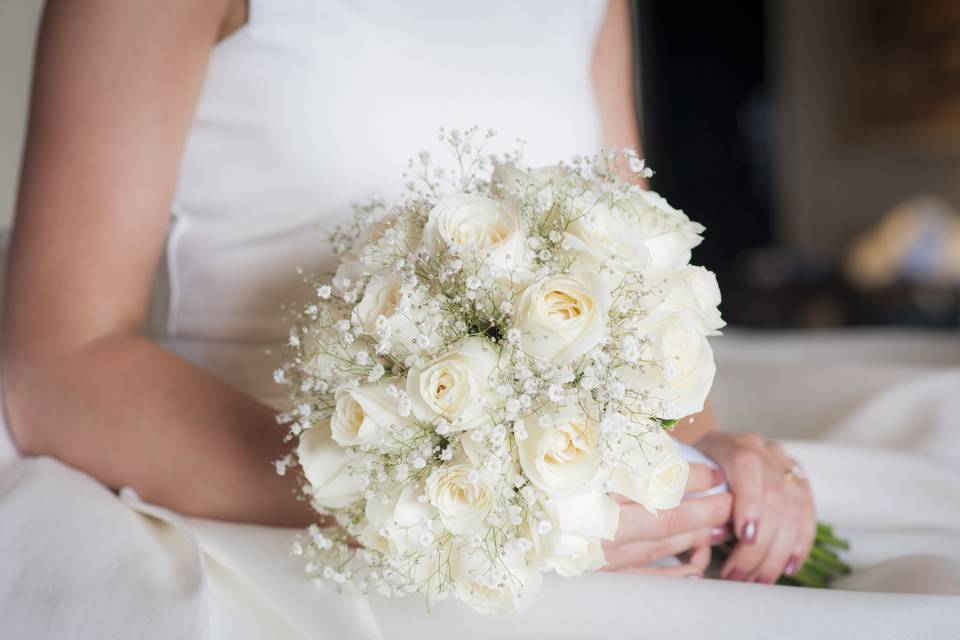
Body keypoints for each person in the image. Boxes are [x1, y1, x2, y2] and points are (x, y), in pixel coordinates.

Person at [1, 0, 817, 635]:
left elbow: (636, 271)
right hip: (265, 528)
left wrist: (693, 460)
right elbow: (58, 365)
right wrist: (490, 516)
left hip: (582, 531)